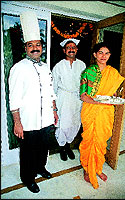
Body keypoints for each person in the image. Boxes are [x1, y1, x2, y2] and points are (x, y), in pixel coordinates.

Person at [9, 11, 58, 193]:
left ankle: (40, 167)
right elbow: (13, 98)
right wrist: (17, 123)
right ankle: (27, 178)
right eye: (31, 45)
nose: (35, 48)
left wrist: (54, 111)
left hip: (46, 118)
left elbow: (50, 92)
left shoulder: (45, 67)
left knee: (43, 147)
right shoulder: (18, 68)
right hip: (28, 120)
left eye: (38, 45)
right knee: (28, 151)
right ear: (26, 48)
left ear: (42, 48)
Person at [79, 42, 125, 189]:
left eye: (106, 53)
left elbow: (113, 93)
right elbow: (83, 96)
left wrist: (114, 97)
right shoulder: (88, 72)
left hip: (106, 113)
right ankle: (87, 169)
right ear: (95, 55)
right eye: (100, 52)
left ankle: (97, 168)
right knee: (89, 141)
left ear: (110, 55)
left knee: (101, 142)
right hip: (91, 110)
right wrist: (99, 103)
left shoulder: (113, 73)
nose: (103, 56)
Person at [52, 38, 86, 161]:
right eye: (68, 48)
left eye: (73, 47)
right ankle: (62, 147)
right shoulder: (58, 66)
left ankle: (68, 145)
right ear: (64, 50)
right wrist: (54, 105)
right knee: (63, 124)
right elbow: (53, 86)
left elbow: (84, 83)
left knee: (75, 123)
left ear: (76, 50)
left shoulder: (82, 65)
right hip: (63, 97)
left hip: (77, 98)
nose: (71, 49)